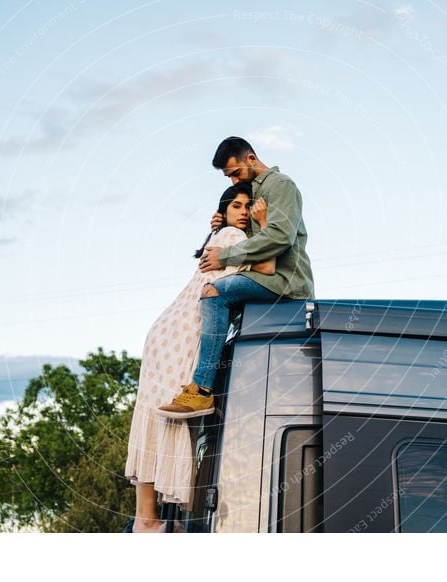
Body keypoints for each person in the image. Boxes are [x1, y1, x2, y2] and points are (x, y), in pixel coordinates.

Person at [124, 181, 275, 533]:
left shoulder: (218, 239)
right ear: (224, 212)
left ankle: (151, 518)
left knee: (157, 415)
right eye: (236, 205)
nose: (244, 211)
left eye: (247, 206)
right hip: (184, 330)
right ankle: (148, 521)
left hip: (168, 330)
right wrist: (265, 225)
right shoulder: (233, 239)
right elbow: (267, 269)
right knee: (172, 418)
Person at [156, 136, 314, 419]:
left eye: (235, 173)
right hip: (263, 276)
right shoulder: (252, 191)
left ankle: (203, 391)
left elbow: (279, 237)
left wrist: (226, 255)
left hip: (285, 281)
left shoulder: (281, 186)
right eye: (228, 177)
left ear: (251, 159)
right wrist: (223, 220)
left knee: (215, 293)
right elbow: (250, 233)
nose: (232, 181)